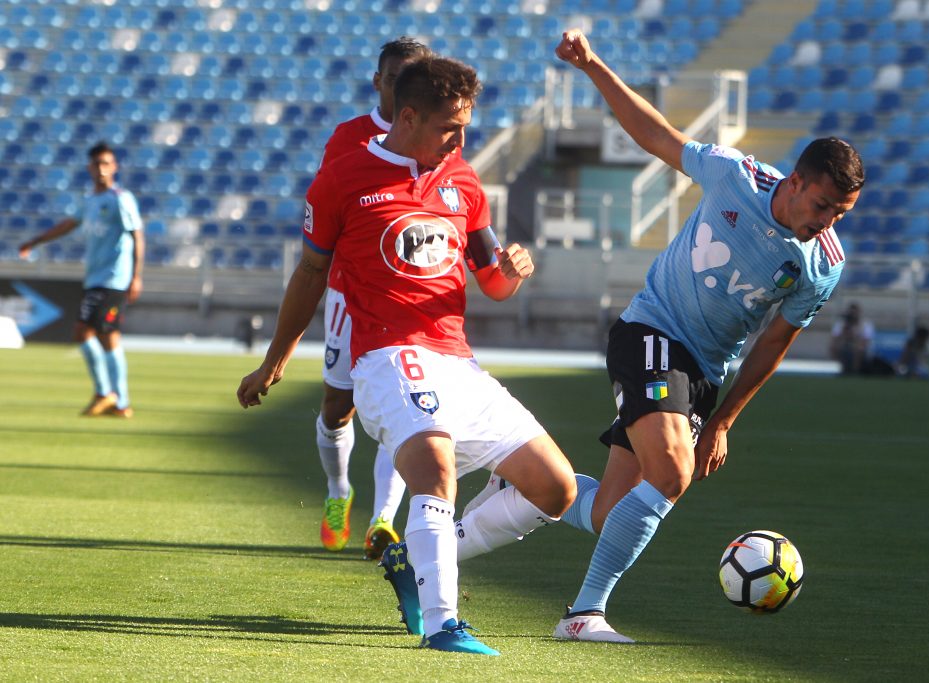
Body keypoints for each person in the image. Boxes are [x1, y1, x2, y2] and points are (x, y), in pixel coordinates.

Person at [237, 55, 577, 656]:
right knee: (435, 471)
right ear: (410, 116)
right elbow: (310, 273)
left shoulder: (464, 183)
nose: (461, 139)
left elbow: (491, 281)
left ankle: (413, 558)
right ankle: (445, 626)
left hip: (458, 361)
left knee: (555, 488)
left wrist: (513, 271)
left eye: (466, 125)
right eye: (451, 126)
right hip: (388, 357)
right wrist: (274, 359)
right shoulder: (344, 177)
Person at [548, 29, 863, 642]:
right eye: (822, 205)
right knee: (672, 474)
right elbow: (657, 135)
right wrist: (592, 66)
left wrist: (722, 420)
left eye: (840, 214)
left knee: (610, 513)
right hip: (651, 330)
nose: (826, 221)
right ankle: (584, 615)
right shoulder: (736, 176)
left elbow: (774, 343)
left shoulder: (822, 262)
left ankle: (526, 480)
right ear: (794, 182)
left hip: (703, 373)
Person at [312, 37, 432, 560]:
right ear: (379, 81)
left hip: (409, 300)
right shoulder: (349, 139)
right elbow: (326, 216)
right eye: (395, 76)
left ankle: (383, 520)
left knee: (400, 409)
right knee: (337, 407)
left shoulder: (437, 140)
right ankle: (340, 493)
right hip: (349, 293)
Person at [18, 142, 144, 418]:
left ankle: (108, 394)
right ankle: (119, 402)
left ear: (114, 167)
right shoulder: (89, 201)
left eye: (106, 163)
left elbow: (137, 234)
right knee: (107, 336)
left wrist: (135, 276)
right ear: (89, 167)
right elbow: (68, 224)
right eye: (96, 163)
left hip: (113, 280)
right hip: (96, 279)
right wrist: (36, 240)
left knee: (83, 332)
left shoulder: (120, 198)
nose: (101, 168)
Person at [829, 302, 875, 375]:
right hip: (844, 344)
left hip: (858, 345)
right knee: (834, 347)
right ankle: (840, 368)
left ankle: (855, 371)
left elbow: (866, 340)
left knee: (857, 350)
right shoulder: (842, 323)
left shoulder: (865, 323)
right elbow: (835, 337)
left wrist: (855, 336)